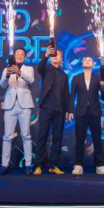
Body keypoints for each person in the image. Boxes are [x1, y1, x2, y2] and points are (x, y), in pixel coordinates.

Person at [0, 46, 36, 175]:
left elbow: (31, 80)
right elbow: (2, 85)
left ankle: (28, 165)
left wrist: (19, 72)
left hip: (25, 104)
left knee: (26, 136)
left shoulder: (29, 69)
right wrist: (8, 74)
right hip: (10, 104)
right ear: (13, 57)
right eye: (17, 54)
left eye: (21, 54)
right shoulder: (6, 69)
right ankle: (4, 165)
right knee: (7, 137)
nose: (19, 56)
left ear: (24, 57)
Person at [68, 55, 104, 175]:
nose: (87, 61)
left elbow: (103, 95)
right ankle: (78, 165)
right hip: (80, 112)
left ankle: (99, 165)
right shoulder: (76, 78)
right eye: (85, 60)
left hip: (95, 112)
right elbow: (72, 95)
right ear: (82, 64)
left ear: (93, 64)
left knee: (97, 139)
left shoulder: (98, 78)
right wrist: (70, 111)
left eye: (89, 60)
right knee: (80, 139)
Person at [35, 46, 70, 175]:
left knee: (57, 137)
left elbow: (66, 94)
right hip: (46, 107)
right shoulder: (46, 69)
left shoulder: (64, 75)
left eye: (57, 55)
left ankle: (53, 165)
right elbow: (39, 68)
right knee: (42, 136)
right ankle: (38, 165)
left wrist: (69, 110)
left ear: (61, 58)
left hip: (60, 109)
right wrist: (45, 55)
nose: (55, 56)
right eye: (53, 55)